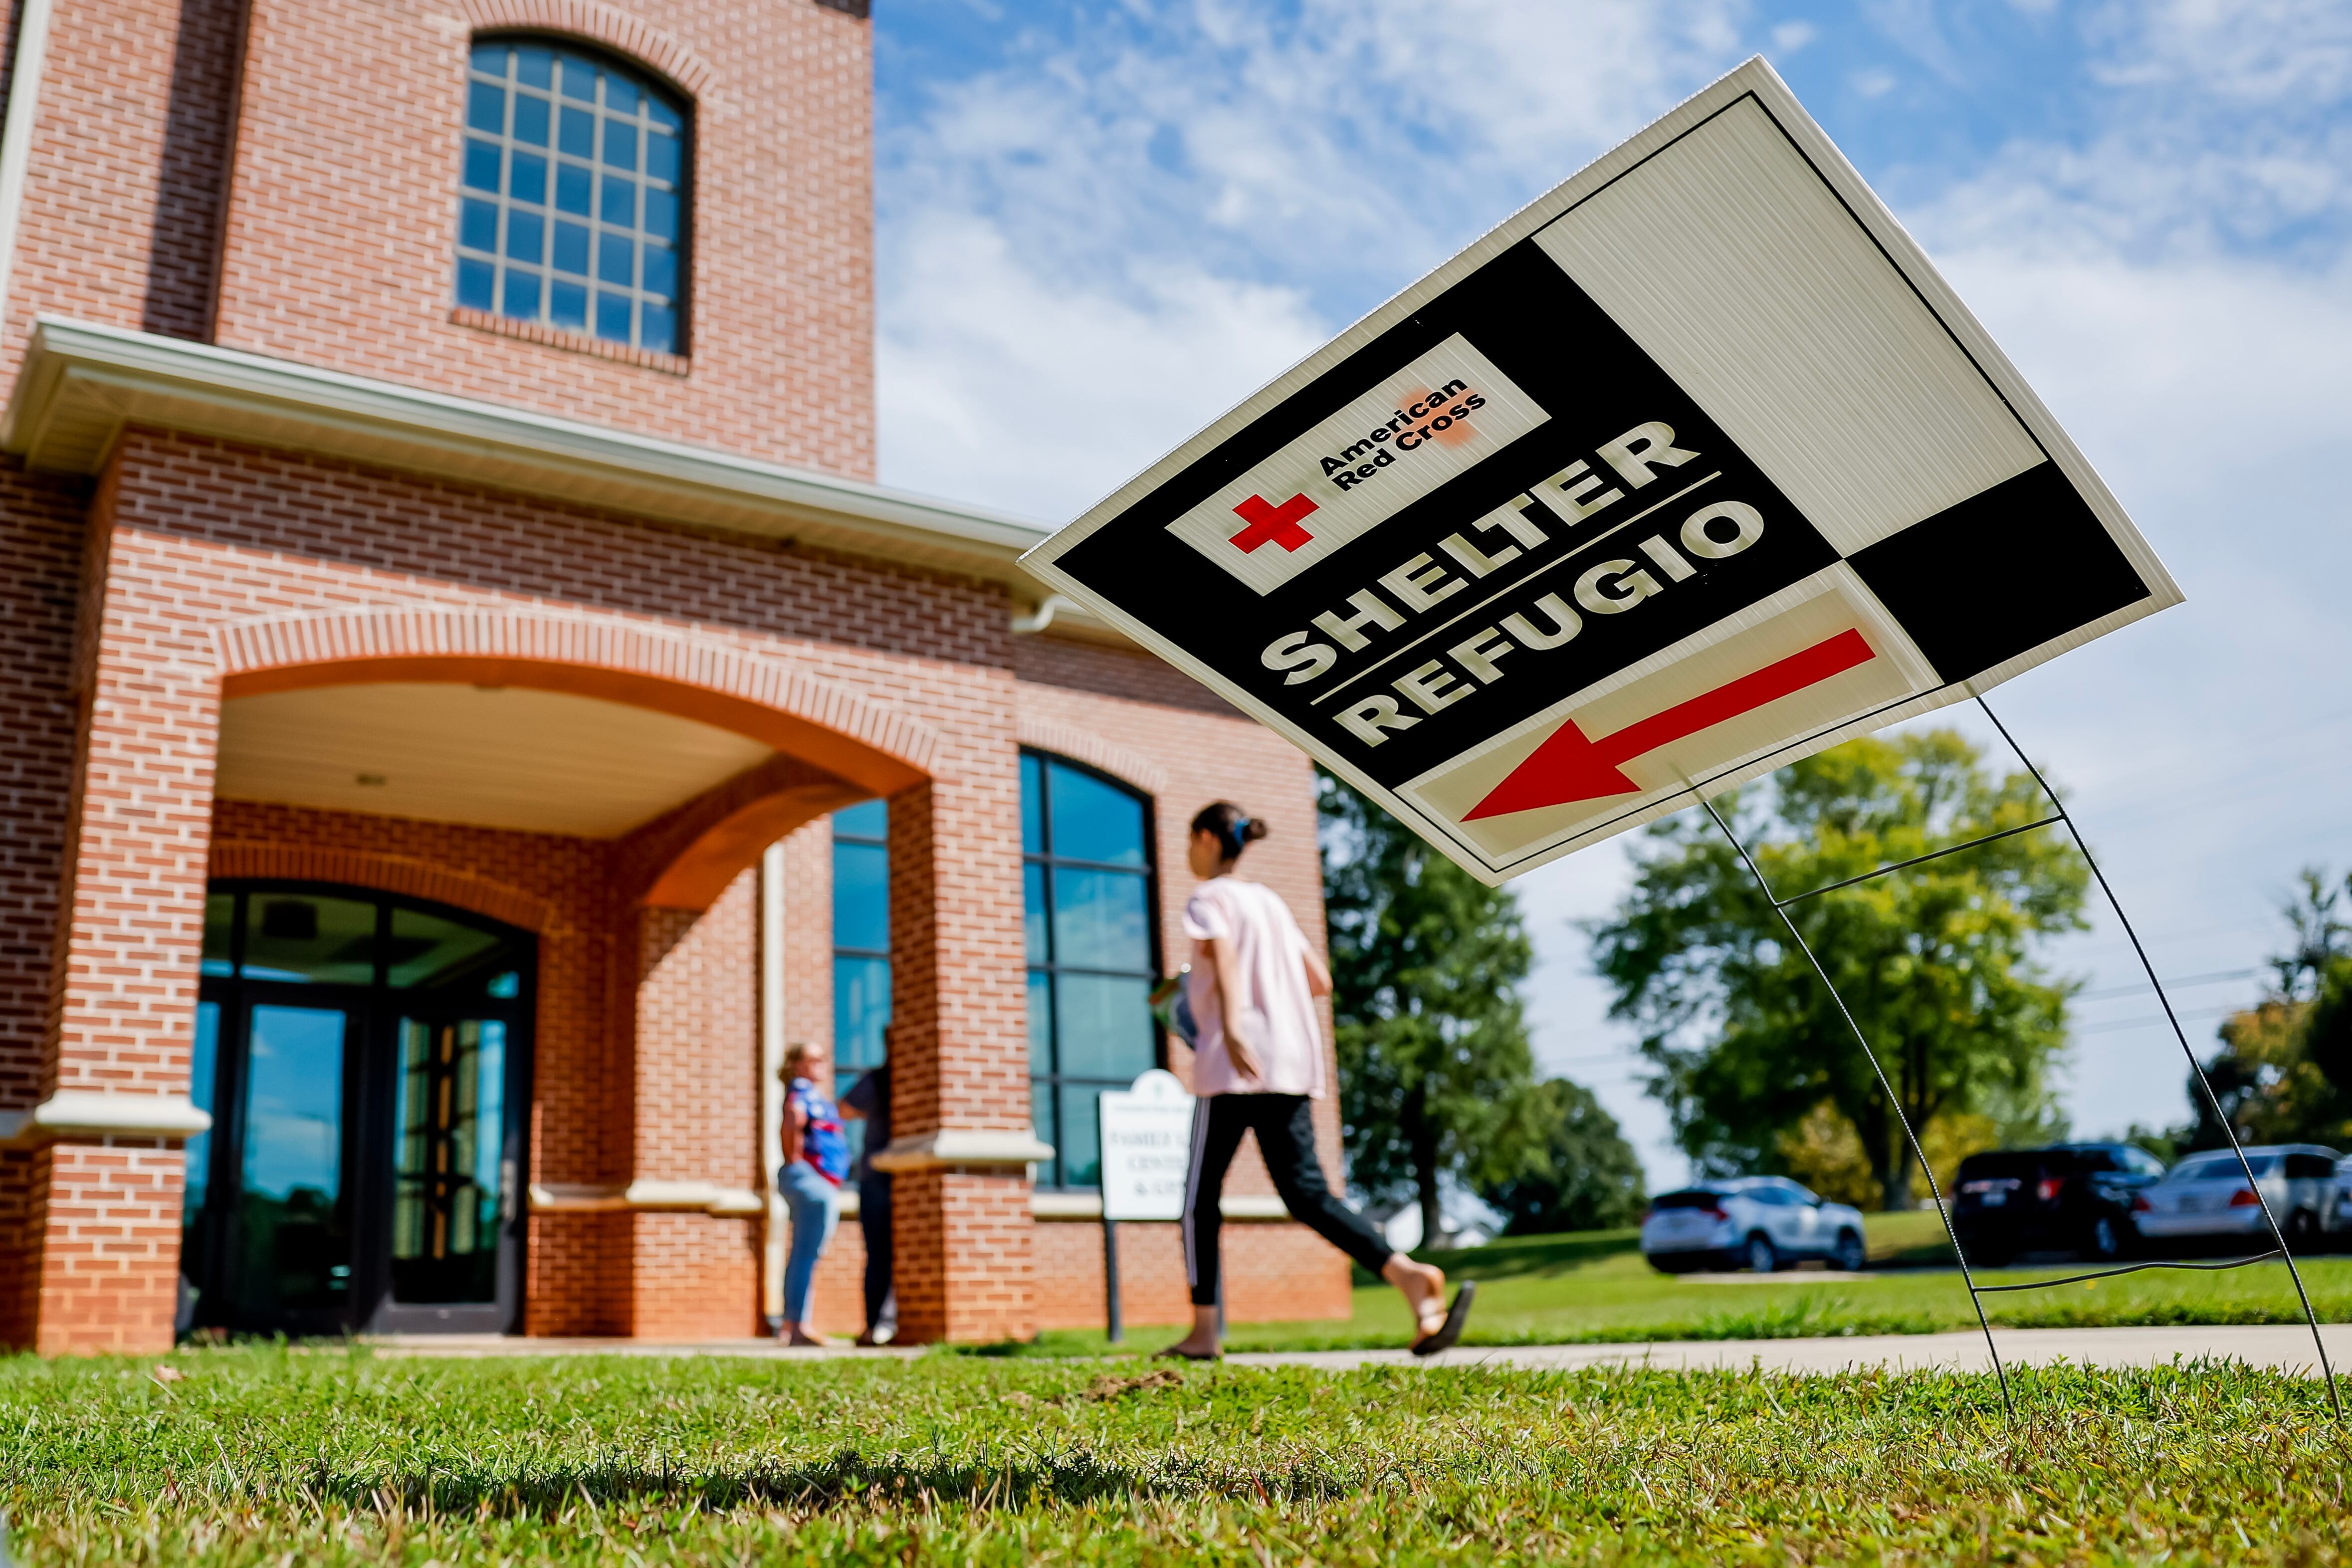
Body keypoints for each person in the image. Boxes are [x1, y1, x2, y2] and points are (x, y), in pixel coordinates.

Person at [1160, 801, 1474, 1360]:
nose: (1187, 850)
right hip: (1288, 1062)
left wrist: (1229, 1022)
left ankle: (1203, 1331)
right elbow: (1318, 980)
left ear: (1208, 838)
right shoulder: (1271, 902)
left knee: (1198, 1200)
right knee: (1306, 1194)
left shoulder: (1209, 897)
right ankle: (1407, 1275)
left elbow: (1226, 955)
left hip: (1234, 1064)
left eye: (1189, 838)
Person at [777, 1040, 850, 1346]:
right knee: (807, 1254)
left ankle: (795, 1325)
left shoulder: (813, 1094)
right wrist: (797, 1165)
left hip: (818, 1181)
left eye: (823, 1058)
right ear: (798, 1064)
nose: (821, 1063)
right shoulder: (802, 1091)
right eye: (814, 1059)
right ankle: (797, 1326)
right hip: (813, 1181)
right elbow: (793, 1121)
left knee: (806, 1254)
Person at [840, 1050, 896, 1346]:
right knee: (881, 1253)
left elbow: (845, 1108)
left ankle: (879, 1324)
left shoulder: (880, 1079)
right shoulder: (880, 1080)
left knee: (881, 1254)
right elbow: (844, 1108)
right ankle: (877, 1324)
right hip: (879, 1178)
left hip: (882, 1177)